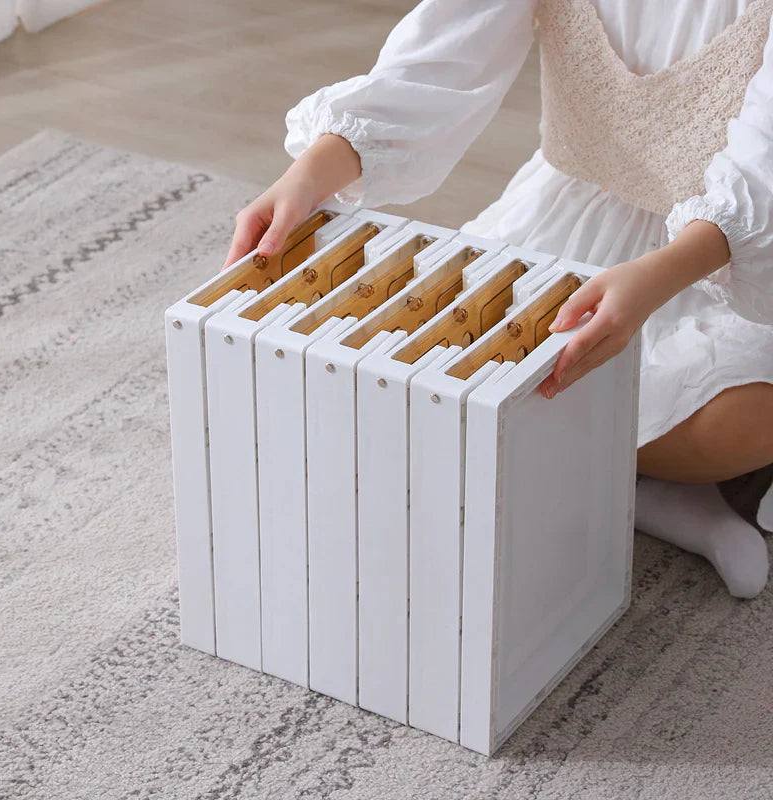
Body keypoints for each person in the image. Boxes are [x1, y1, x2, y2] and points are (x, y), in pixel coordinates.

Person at [224, 0, 773, 598]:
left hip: (712, 256)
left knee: (743, 418)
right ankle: (629, 482)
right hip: (574, 216)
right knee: (444, 347)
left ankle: (615, 474)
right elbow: (437, 61)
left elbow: (761, 166)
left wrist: (661, 276)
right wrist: (308, 174)